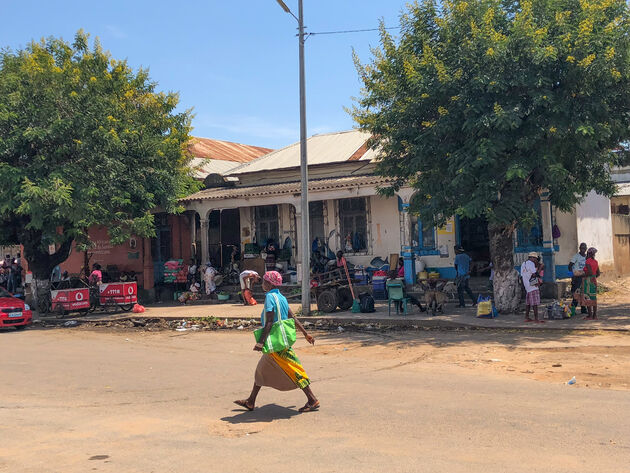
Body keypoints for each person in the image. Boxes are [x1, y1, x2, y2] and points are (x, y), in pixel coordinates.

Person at [234, 271, 319, 413]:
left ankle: (312, 399)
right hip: (281, 340)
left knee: (294, 370)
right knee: (261, 371)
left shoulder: (269, 297)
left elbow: (269, 322)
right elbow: (293, 317)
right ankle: (250, 401)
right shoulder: (282, 298)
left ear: (269, 283)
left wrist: (260, 342)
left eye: (264, 281)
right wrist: (305, 334)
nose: (262, 284)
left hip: (276, 342)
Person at [521, 252, 543, 323]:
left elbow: (523, 275)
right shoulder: (531, 264)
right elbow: (534, 275)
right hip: (533, 286)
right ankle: (536, 319)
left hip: (527, 285)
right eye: (536, 259)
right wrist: (540, 268)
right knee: (535, 303)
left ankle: (526, 317)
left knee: (528, 303)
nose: (536, 261)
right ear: (533, 258)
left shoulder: (523, 264)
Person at [569, 243, 588, 316]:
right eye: (582, 248)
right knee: (576, 294)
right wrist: (572, 276)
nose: (583, 249)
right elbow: (569, 266)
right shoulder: (576, 256)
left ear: (586, 249)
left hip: (584, 277)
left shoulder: (586, 257)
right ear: (579, 248)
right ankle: (572, 310)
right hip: (577, 277)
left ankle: (583, 309)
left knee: (583, 294)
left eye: (584, 248)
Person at [581, 247, 600, 320]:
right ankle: (595, 315)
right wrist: (593, 277)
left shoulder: (588, 261)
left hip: (588, 281)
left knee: (587, 297)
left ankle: (589, 315)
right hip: (594, 280)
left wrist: (582, 275)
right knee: (594, 298)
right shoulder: (595, 261)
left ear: (588, 253)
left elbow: (589, 272)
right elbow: (598, 273)